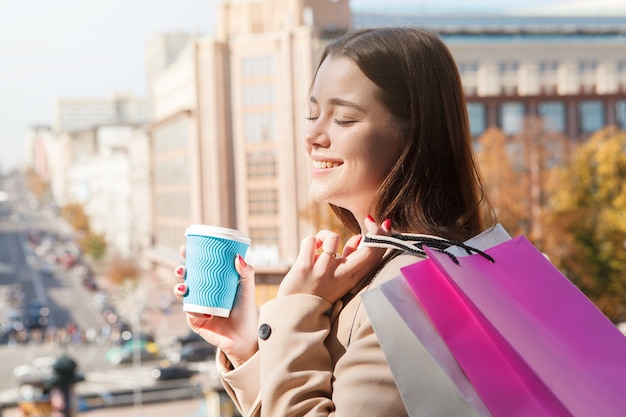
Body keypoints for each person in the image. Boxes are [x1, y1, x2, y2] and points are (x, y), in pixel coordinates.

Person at [173, 27, 491, 416]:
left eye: (342, 119)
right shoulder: (415, 268)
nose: (312, 135)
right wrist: (248, 346)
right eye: (312, 114)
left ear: (413, 136)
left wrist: (295, 306)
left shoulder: (407, 291)